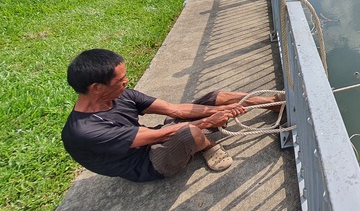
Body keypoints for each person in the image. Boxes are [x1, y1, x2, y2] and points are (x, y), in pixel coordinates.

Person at [62, 49, 282, 182]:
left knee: (217, 97)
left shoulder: (122, 95)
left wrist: (219, 110)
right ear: (97, 88)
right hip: (148, 163)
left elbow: (174, 110)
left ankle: (273, 103)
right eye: (120, 80)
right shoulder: (85, 131)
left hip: (153, 137)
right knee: (190, 133)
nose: (126, 82)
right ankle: (206, 146)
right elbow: (154, 136)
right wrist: (208, 121)